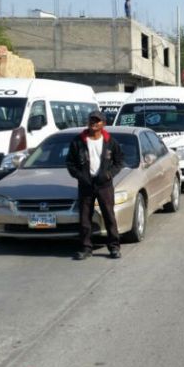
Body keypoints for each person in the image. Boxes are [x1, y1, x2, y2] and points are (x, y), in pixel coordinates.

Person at [66, 111, 125, 260]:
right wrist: (80, 176)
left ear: (103, 124)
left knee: (109, 216)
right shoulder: (78, 141)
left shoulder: (110, 141)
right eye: (91, 120)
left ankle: (114, 247)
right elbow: (70, 163)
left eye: (97, 121)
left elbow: (119, 162)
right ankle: (86, 248)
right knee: (85, 218)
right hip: (86, 185)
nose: (94, 123)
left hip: (104, 185)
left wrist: (108, 174)